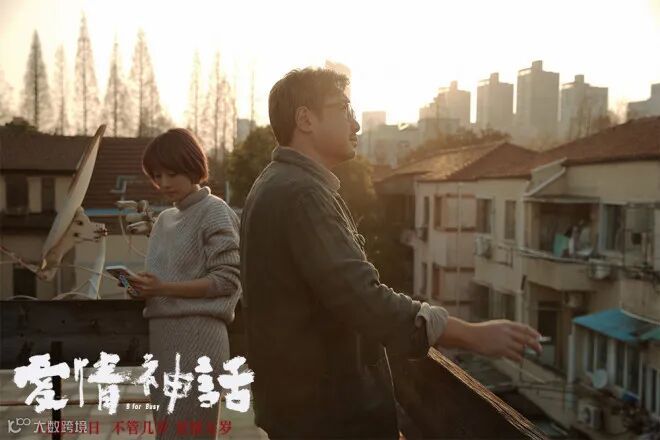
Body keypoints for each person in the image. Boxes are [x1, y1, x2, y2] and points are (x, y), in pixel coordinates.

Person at [239, 68, 542, 439]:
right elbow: (363, 299)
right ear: (305, 119)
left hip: (298, 409)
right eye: (344, 109)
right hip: (327, 417)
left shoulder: (274, 183)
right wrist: (469, 334)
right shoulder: (303, 194)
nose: (356, 124)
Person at [129, 128, 241, 440]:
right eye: (157, 175)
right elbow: (163, 279)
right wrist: (142, 288)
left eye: (172, 173)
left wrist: (162, 288)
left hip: (199, 338)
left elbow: (227, 280)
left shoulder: (215, 210)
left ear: (193, 168)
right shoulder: (164, 220)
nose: (164, 183)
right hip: (162, 339)